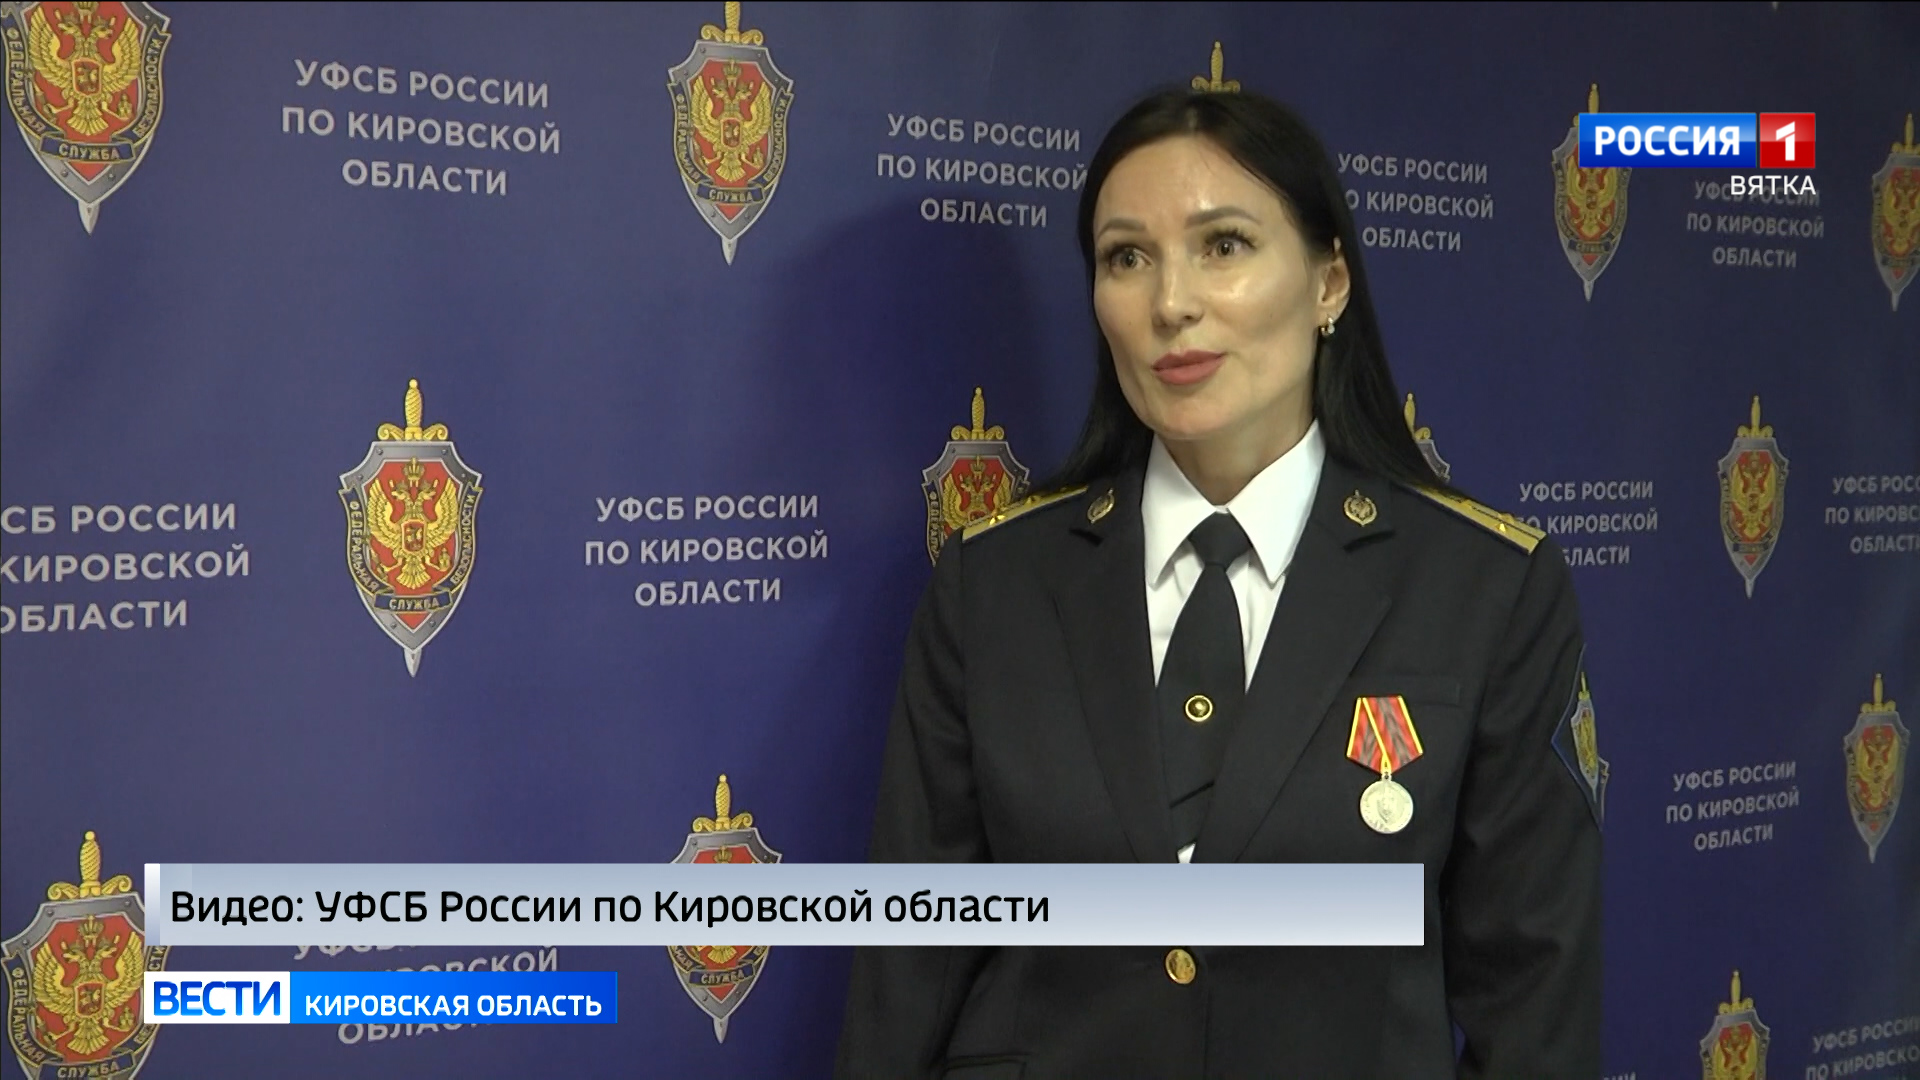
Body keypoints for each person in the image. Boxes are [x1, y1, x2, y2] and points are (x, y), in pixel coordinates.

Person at [836, 86, 1603, 1080]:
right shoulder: (994, 584)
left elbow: (1534, 1001)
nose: (1171, 304)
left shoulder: (1486, 589)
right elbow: (910, 965)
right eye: (1127, 257)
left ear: (1329, 283)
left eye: (1224, 245)